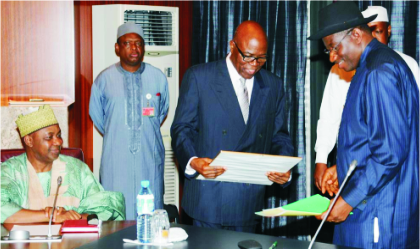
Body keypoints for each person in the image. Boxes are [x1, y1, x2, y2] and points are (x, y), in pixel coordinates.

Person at [308, 2, 419, 248]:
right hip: (374, 205)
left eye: (334, 48)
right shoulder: (375, 64)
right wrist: (343, 166)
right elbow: (377, 138)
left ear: (356, 35)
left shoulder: (379, 71)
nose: (333, 57)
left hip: (378, 216)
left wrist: (347, 202)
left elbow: (389, 155)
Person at [171, 20, 294, 232]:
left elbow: (280, 136)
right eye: (248, 56)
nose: (254, 64)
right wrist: (193, 161)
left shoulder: (273, 85)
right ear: (232, 46)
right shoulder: (200, 77)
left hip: (248, 202)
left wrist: (284, 167)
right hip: (208, 199)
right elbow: (182, 129)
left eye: (261, 58)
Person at [89, 22, 169, 220]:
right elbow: (99, 118)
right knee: (115, 218)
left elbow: (162, 112)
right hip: (116, 161)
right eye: (128, 43)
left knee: (150, 218)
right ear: (117, 48)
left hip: (149, 159)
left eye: (139, 43)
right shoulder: (103, 80)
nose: (134, 48)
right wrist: (119, 133)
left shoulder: (157, 77)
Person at [1, 105, 125, 223]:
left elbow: (107, 206)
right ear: (29, 140)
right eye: (49, 137)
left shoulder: (77, 169)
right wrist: (51, 215)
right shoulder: (10, 171)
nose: (59, 141)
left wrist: (75, 218)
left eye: (59, 135)